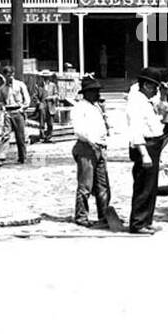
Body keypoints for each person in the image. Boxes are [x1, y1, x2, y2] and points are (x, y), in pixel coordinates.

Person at [127, 67, 168, 234]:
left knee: (151, 187)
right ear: (146, 85)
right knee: (144, 186)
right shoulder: (136, 101)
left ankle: (146, 220)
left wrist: (164, 96)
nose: (157, 91)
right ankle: (138, 223)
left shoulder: (146, 100)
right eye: (155, 87)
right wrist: (144, 154)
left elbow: (161, 113)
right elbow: (135, 129)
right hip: (145, 146)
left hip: (154, 144)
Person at [71, 76, 113, 227]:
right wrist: (91, 142)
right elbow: (79, 130)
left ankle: (104, 215)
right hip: (86, 148)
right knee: (85, 185)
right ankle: (81, 216)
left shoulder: (96, 107)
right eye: (94, 91)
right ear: (86, 93)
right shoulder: (79, 108)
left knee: (103, 185)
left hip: (100, 147)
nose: (97, 94)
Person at [0, 65, 30, 166]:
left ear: (13, 74)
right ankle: (2, 156)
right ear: (4, 76)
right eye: (7, 76)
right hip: (8, 112)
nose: (9, 78)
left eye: (11, 75)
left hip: (18, 112)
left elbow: (27, 99)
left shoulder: (20, 85)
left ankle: (22, 156)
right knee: (5, 135)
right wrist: (3, 108)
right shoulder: (2, 88)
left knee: (20, 137)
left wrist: (22, 108)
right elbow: (1, 101)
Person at [35, 70, 58, 143]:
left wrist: (51, 97)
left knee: (50, 122)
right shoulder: (38, 86)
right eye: (44, 77)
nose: (46, 78)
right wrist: (39, 103)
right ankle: (42, 136)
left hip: (50, 105)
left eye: (47, 77)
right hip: (42, 105)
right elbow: (35, 97)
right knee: (42, 122)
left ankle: (49, 136)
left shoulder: (53, 85)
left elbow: (56, 95)